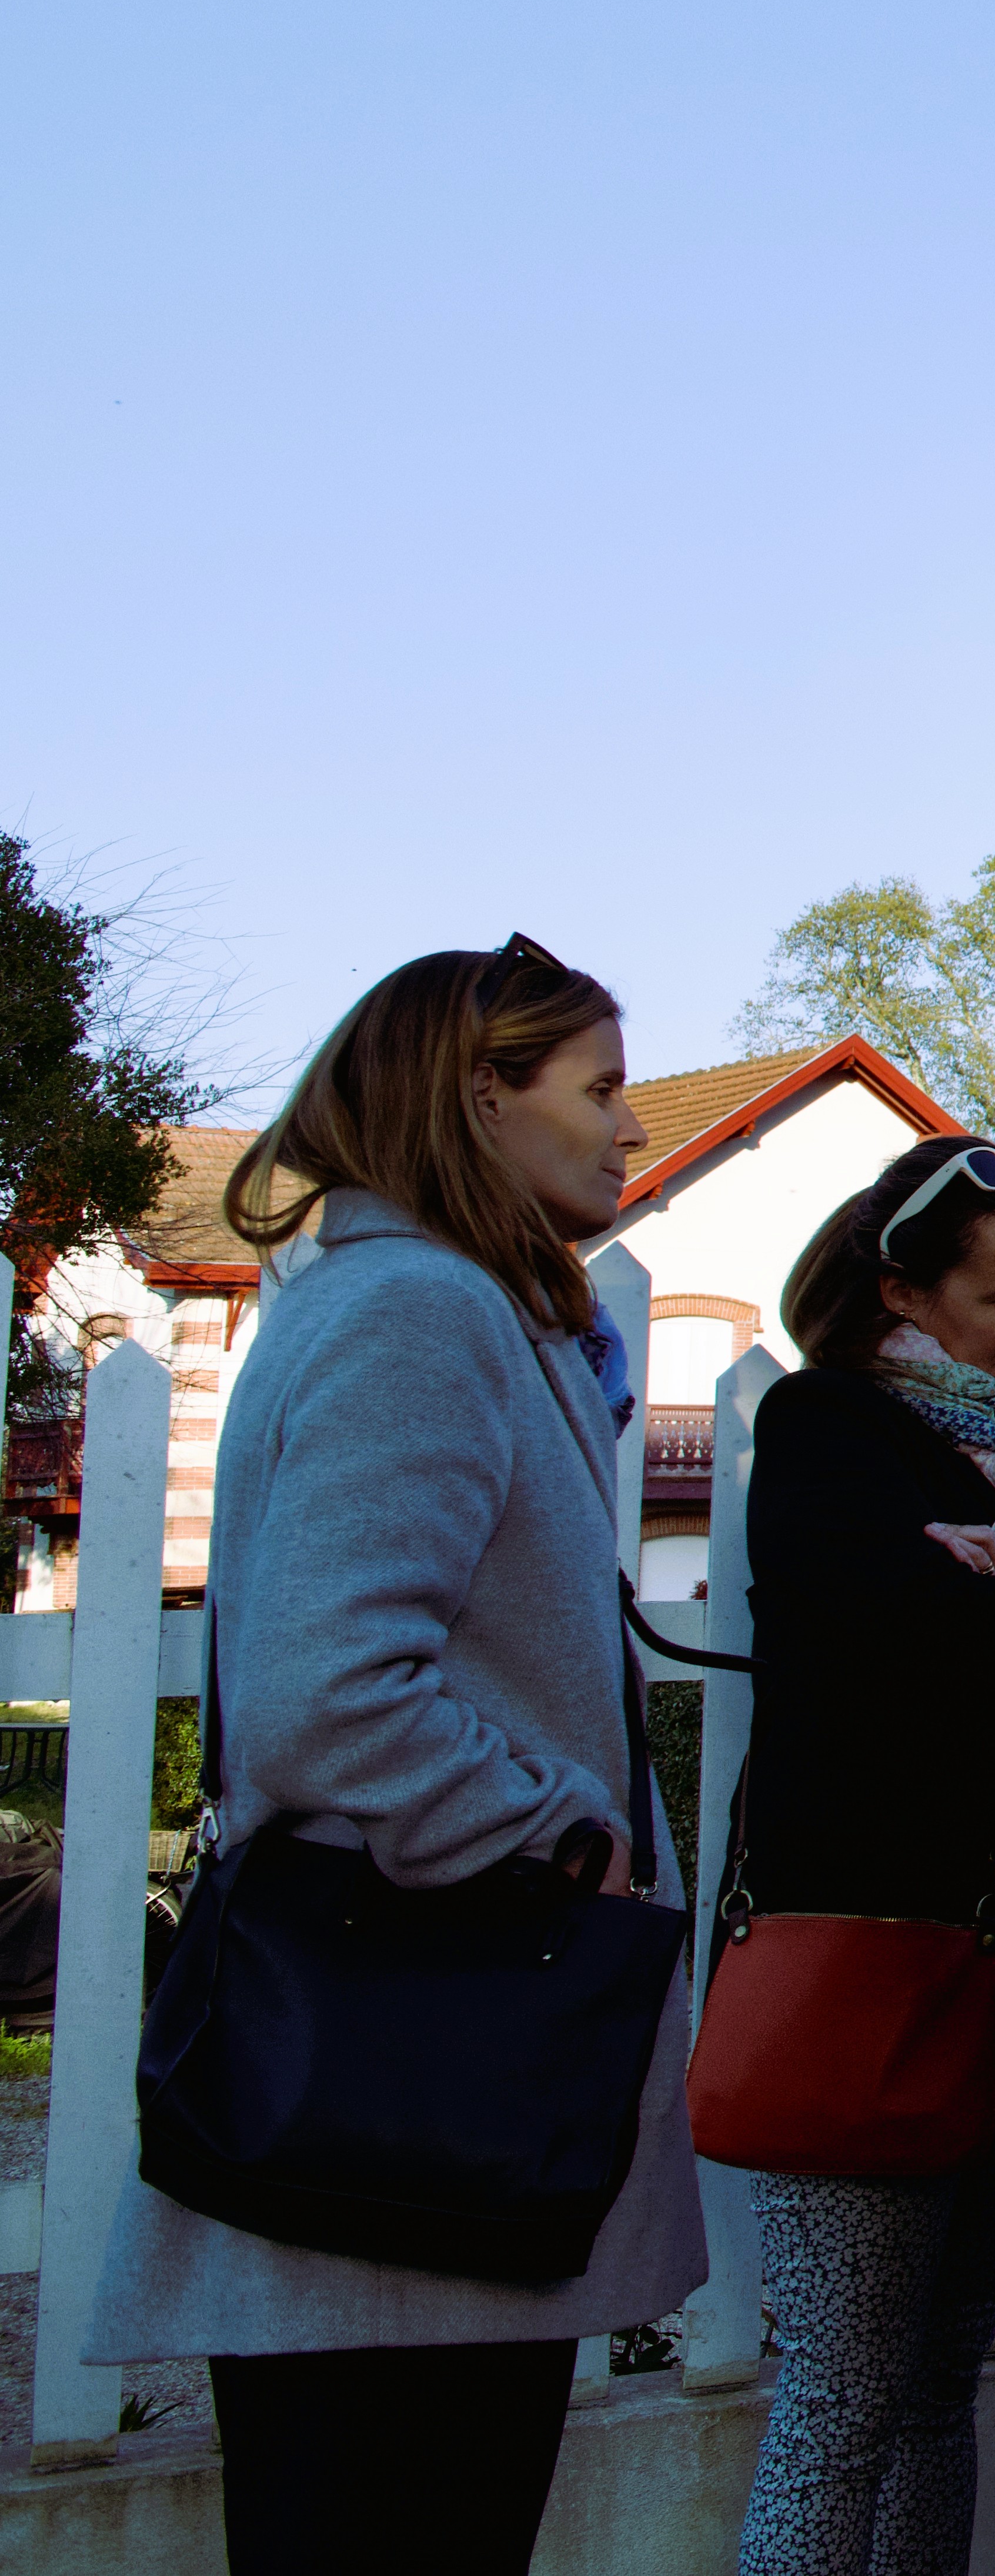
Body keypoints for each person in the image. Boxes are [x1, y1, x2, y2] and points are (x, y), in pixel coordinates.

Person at [88, 938, 702, 2576]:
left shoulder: (416, 1297)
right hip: (423, 2096)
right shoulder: (424, 1309)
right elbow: (329, 1688)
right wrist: (561, 1833)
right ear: (477, 1095)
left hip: (418, 2106)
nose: (631, 1126)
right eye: (597, 1086)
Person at [729, 1133, 995, 2576]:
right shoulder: (822, 1431)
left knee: (937, 2386)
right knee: (839, 2404)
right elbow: (906, 1649)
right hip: (873, 1968)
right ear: (904, 1293)